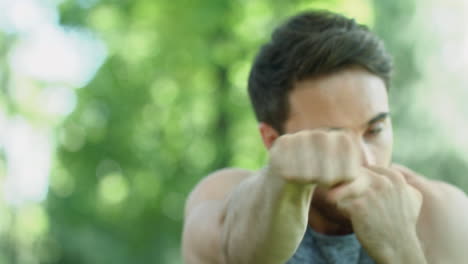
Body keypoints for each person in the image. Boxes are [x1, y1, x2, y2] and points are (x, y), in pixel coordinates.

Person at [182, 10, 468, 264]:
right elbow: (239, 252)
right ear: (272, 139)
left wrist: (402, 249)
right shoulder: (222, 198)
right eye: (332, 140)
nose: (366, 162)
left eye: (375, 130)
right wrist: (284, 191)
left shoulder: (442, 213)